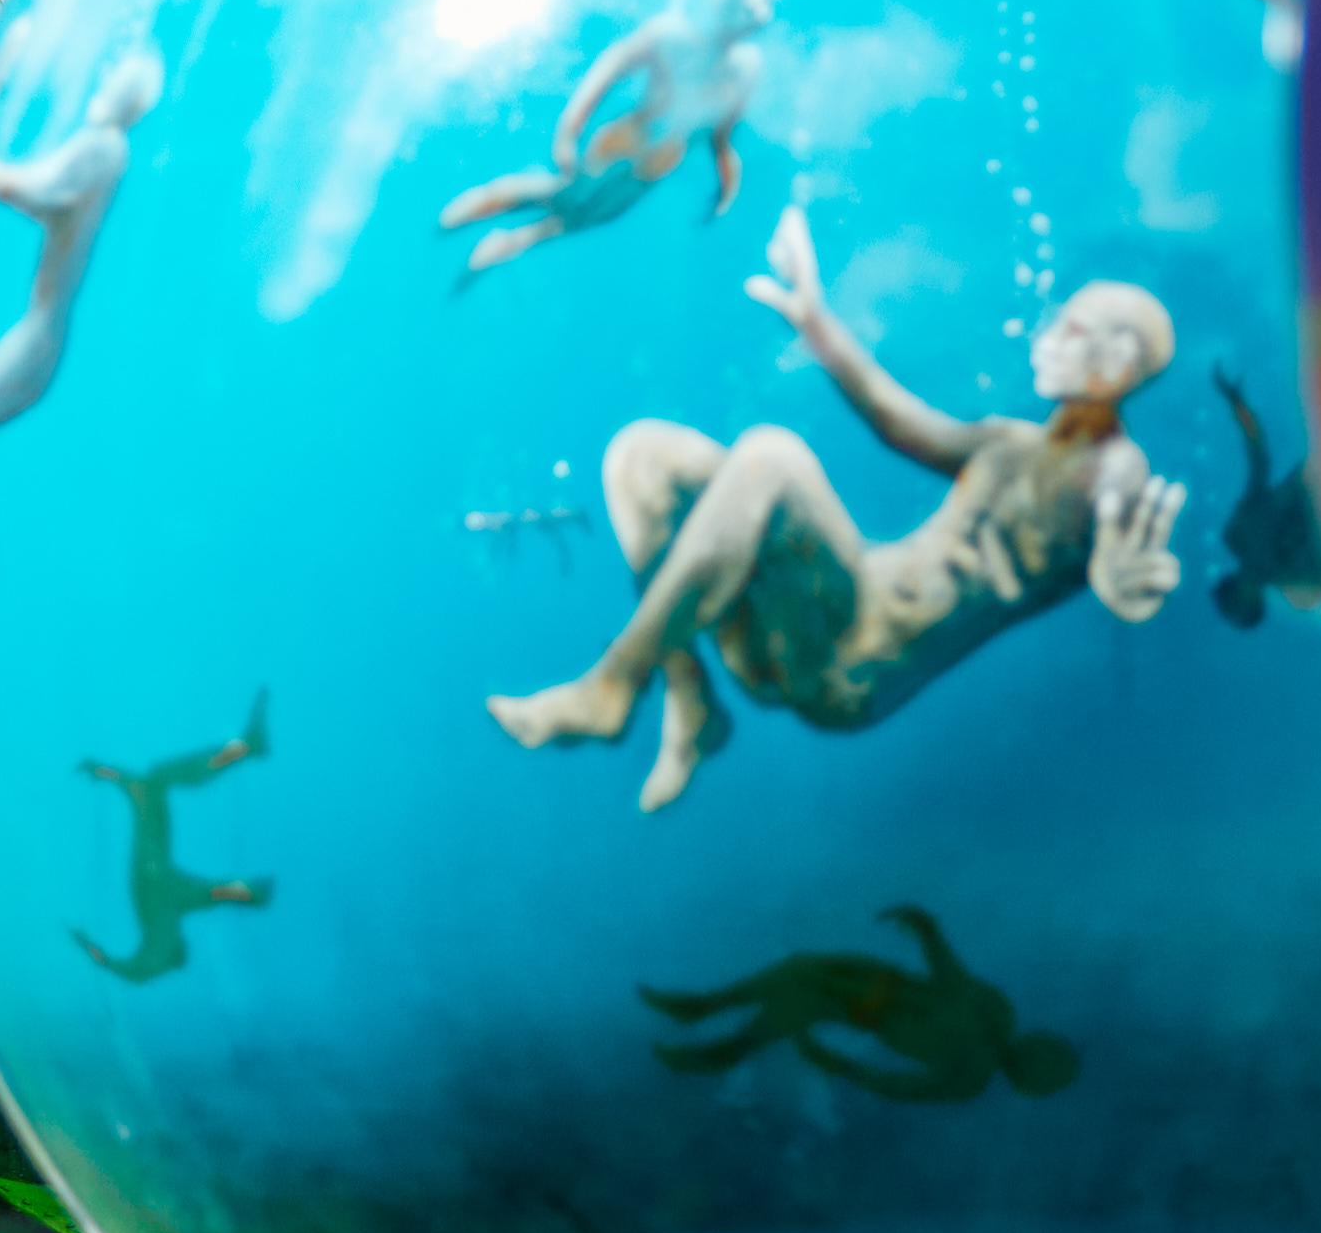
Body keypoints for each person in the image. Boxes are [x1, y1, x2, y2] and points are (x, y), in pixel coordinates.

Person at [485, 208, 1193, 810]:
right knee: (643, 455)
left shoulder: (1115, 470)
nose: (1045, 334)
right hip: (809, 619)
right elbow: (896, 418)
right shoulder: (1011, 444)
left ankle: (612, 685)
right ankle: (690, 697)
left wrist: (1114, 583)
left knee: (770, 457)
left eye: (1070, 329)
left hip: (855, 664)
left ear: (1119, 362)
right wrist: (816, 322)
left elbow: (1111, 531)